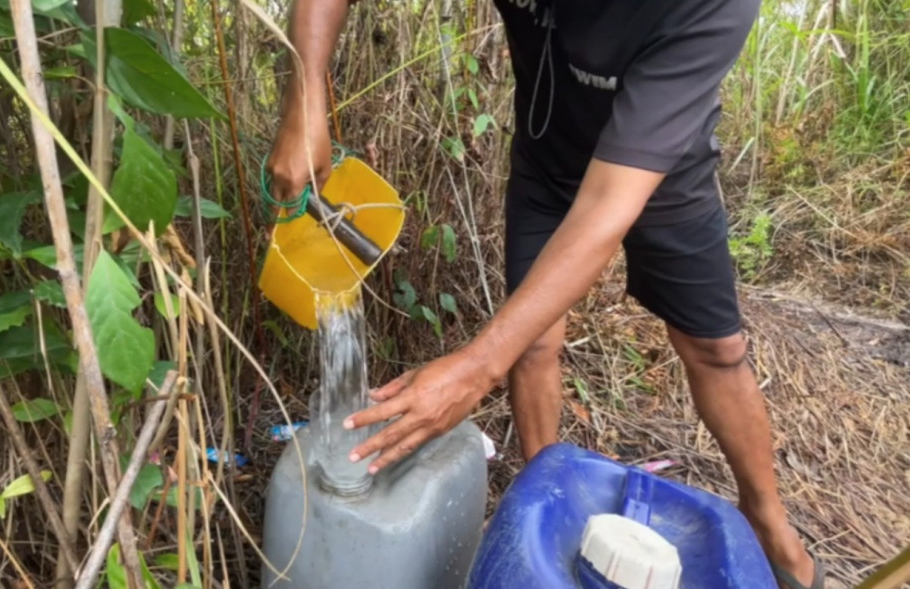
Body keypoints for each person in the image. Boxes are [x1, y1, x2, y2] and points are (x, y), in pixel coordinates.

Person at [265, 0, 823, 587]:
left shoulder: (709, 8)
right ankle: (540, 499)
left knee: (716, 351)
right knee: (532, 347)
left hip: (665, 177)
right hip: (548, 160)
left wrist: (478, 367)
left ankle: (766, 520)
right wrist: (306, 100)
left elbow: (607, 206)